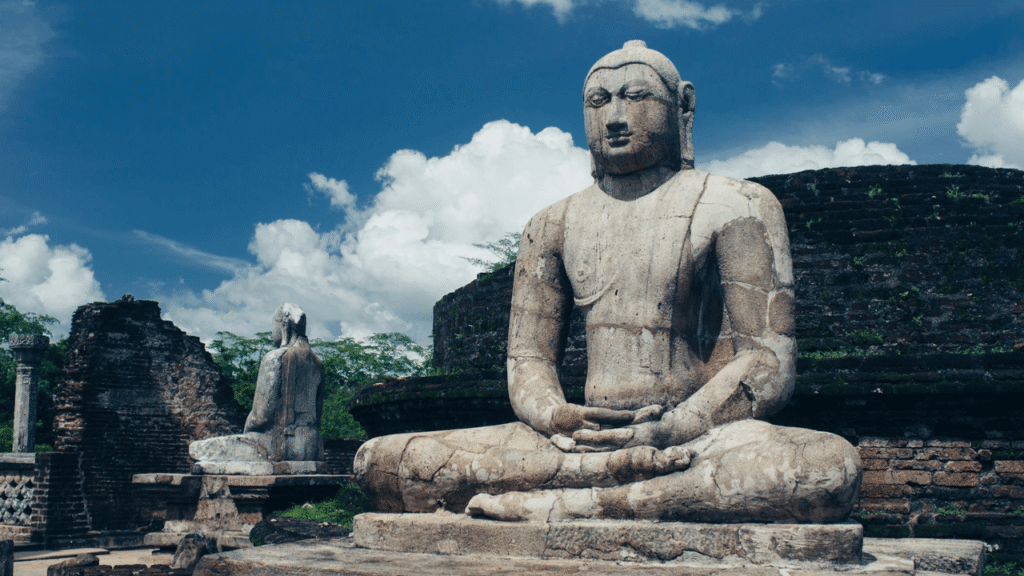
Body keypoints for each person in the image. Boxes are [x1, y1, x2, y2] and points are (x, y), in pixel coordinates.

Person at [354, 41, 860, 523]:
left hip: (693, 438)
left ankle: (573, 505)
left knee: (826, 468)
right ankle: (614, 483)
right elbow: (528, 361)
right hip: (574, 444)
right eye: (599, 101)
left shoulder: (737, 205)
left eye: (637, 97)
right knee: (381, 459)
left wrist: (675, 426)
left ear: (682, 107)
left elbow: (767, 360)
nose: (615, 117)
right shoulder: (551, 223)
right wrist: (556, 417)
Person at [190, 303, 324, 470]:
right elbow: (318, 415)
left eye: (274, 325)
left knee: (198, 449)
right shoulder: (318, 364)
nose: (272, 332)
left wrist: (247, 431)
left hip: (275, 447)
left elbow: (260, 418)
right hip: (310, 447)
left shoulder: (275, 358)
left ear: (283, 325)